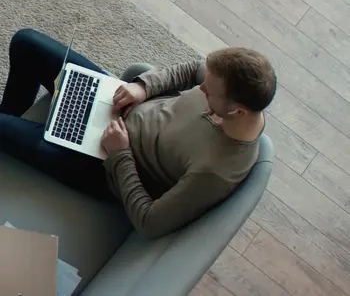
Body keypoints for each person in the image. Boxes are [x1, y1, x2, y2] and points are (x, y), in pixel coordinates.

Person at [0, 28, 276, 239]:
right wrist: (143, 87)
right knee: (26, 42)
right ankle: (11, 117)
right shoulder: (225, 87)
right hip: (115, 100)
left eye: (208, 91)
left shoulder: (216, 172)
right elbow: (193, 69)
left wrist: (119, 153)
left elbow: (149, 222)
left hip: (99, 163)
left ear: (238, 111)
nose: (201, 89)